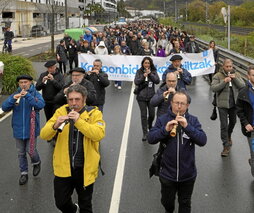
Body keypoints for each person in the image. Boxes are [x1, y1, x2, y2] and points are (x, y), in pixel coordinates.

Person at [40, 84, 105, 213]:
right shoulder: (61, 111)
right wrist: (55, 125)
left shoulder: (94, 113)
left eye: (77, 99)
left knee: (86, 205)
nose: (73, 103)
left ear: (84, 99)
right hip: (64, 168)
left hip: (84, 169)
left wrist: (79, 121)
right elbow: (43, 135)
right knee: (61, 203)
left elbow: (98, 134)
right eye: (70, 100)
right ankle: (74, 209)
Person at [147, 90, 207, 213]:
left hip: (188, 174)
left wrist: (187, 127)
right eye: (176, 103)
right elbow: (150, 138)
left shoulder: (193, 120)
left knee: (185, 203)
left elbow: (202, 140)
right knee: (167, 202)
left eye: (182, 104)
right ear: (171, 103)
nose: (179, 106)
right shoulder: (162, 119)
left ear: (187, 105)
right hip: (167, 173)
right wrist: (165, 130)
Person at [2, 75, 45, 185]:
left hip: (31, 128)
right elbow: (4, 107)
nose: (23, 84)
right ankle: (24, 173)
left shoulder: (35, 94)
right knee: (21, 153)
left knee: (31, 150)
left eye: (25, 82)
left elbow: (40, 105)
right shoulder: (15, 94)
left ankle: (36, 162)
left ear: (30, 82)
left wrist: (28, 96)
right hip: (18, 128)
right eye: (21, 82)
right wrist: (13, 98)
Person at [211, 59, 245, 157]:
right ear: (223, 67)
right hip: (222, 105)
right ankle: (226, 145)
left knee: (233, 122)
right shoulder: (218, 76)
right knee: (224, 125)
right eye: (227, 67)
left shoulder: (236, 74)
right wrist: (224, 81)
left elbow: (242, 86)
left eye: (230, 66)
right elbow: (213, 88)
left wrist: (235, 79)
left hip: (234, 104)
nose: (229, 68)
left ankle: (229, 135)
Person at [134, 56, 160, 141]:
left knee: (152, 114)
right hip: (141, 97)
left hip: (151, 96)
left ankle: (150, 125)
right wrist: (143, 76)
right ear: (143, 64)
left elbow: (157, 81)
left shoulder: (153, 71)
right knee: (143, 115)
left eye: (148, 63)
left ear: (150, 64)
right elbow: (136, 81)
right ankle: (145, 133)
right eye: (145, 63)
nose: (147, 64)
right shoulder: (139, 71)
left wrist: (150, 74)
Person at [236, 65, 254, 177]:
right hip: (251, 129)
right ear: (248, 76)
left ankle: (252, 161)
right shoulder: (243, 92)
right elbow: (239, 110)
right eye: (253, 75)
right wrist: (246, 123)